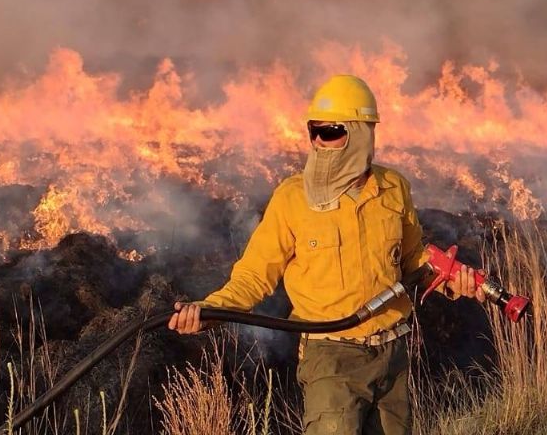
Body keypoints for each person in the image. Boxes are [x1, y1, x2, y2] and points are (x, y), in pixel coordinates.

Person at [169, 74, 486, 435]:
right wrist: (208, 311)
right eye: (314, 131)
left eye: (332, 131)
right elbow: (254, 276)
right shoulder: (292, 199)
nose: (320, 141)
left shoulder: (393, 189)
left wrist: (452, 281)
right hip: (331, 359)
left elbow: (412, 260)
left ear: (361, 133)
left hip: (393, 354)